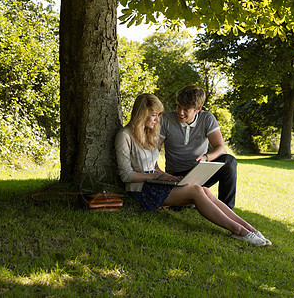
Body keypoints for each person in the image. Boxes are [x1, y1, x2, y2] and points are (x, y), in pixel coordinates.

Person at [115, 93, 271, 246]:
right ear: (142, 114)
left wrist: (168, 177)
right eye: (154, 115)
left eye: (158, 115)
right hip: (141, 190)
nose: (157, 120)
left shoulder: (148, 133)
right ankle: (239, 231)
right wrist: (157, 178)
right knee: (196, 191)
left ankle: (251, 229)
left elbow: (153, 167)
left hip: (155, 184)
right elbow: (126, 175)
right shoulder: (124, 136)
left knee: (205, 190)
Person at [159, 85, 237, 209]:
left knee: (229, 161)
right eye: (179, 106)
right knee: (175, 205)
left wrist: (206, 157)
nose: (180, 112)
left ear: (198, 109)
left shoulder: (207, 118)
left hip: (200, 173)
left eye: (186, 109)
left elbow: (220, 147)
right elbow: (153, 151)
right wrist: (162, 175)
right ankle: (188, 200)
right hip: (176, 176)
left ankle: (226, 208)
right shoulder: (166, 120)